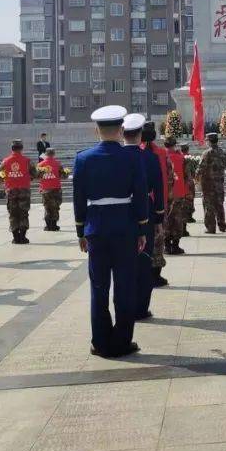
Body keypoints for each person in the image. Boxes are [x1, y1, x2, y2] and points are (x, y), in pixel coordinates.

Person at [74, 105, 149, 358]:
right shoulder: (133, 157)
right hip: (126, 227)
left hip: (96, 228)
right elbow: (140, 195)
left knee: (99, 287)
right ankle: (122, 340)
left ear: (97, 129)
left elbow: (78, 199)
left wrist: (80, 232)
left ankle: (100, 342)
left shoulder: (83, 158)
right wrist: (141, 228)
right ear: (120, 129)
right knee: (125, 286)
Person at [124, 114, 163, 320]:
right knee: (144, 258)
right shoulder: (150, 157)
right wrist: (159, 217)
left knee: (124, 263)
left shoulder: (117, 155)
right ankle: (141, 307)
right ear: (140, 135)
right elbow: (158, 187)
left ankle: (125, 306)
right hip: (145, 213)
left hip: (121, 213)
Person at [142, 121, 171, 287]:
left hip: (140, 205)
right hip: (157, 204)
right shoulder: (160, 153)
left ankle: (146, 274)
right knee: (158, 239)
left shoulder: (132, 153)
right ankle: (154, 275)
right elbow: (167, 178)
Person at [1, 139, 38, 244]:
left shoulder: (5, 161)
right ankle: (23, 236)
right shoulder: (27, 161)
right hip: (24, 190)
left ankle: (15, 237)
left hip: (11, 190)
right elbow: (35, 174)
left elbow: (1, 174)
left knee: (13, 213)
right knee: (23, 213)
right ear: (21, 148)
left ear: (12, 148)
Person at [199, 131, 226, 233]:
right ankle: (222, 226)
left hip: (208, 185)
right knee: (219, 205)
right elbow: (225, 165)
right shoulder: (223, 153)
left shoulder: (206, 153)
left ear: (209, 142)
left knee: (209, 206)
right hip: (219, 183)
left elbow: (200, 169)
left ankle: (211, 228)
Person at [164, 135, 189, 255]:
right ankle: (176, 246)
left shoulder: (161, 156)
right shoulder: (180, 157)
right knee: (178, 219)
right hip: (178, 192)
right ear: (174, 145)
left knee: (166, 219)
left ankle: (166, 246)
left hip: (164, 194)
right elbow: (186, 176)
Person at [37, 147, 64, 231]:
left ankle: (48, 226)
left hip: (45, 189)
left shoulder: (40, 165)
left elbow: (37, 176)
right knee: (55, 207)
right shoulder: (58, 163)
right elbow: (63, 175)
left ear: (46, 154)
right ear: (54, 154)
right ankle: (54, 225)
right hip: (56, 188)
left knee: (47, 207)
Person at [180, 142, 197, 226]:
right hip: (189, 182)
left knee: (184, 200)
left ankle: (186, 216)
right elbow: (194, 171)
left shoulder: (180, 157)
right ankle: (189, 216)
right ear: (187, 149)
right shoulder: (190, 158)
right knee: (190, 199)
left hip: (182, 182)